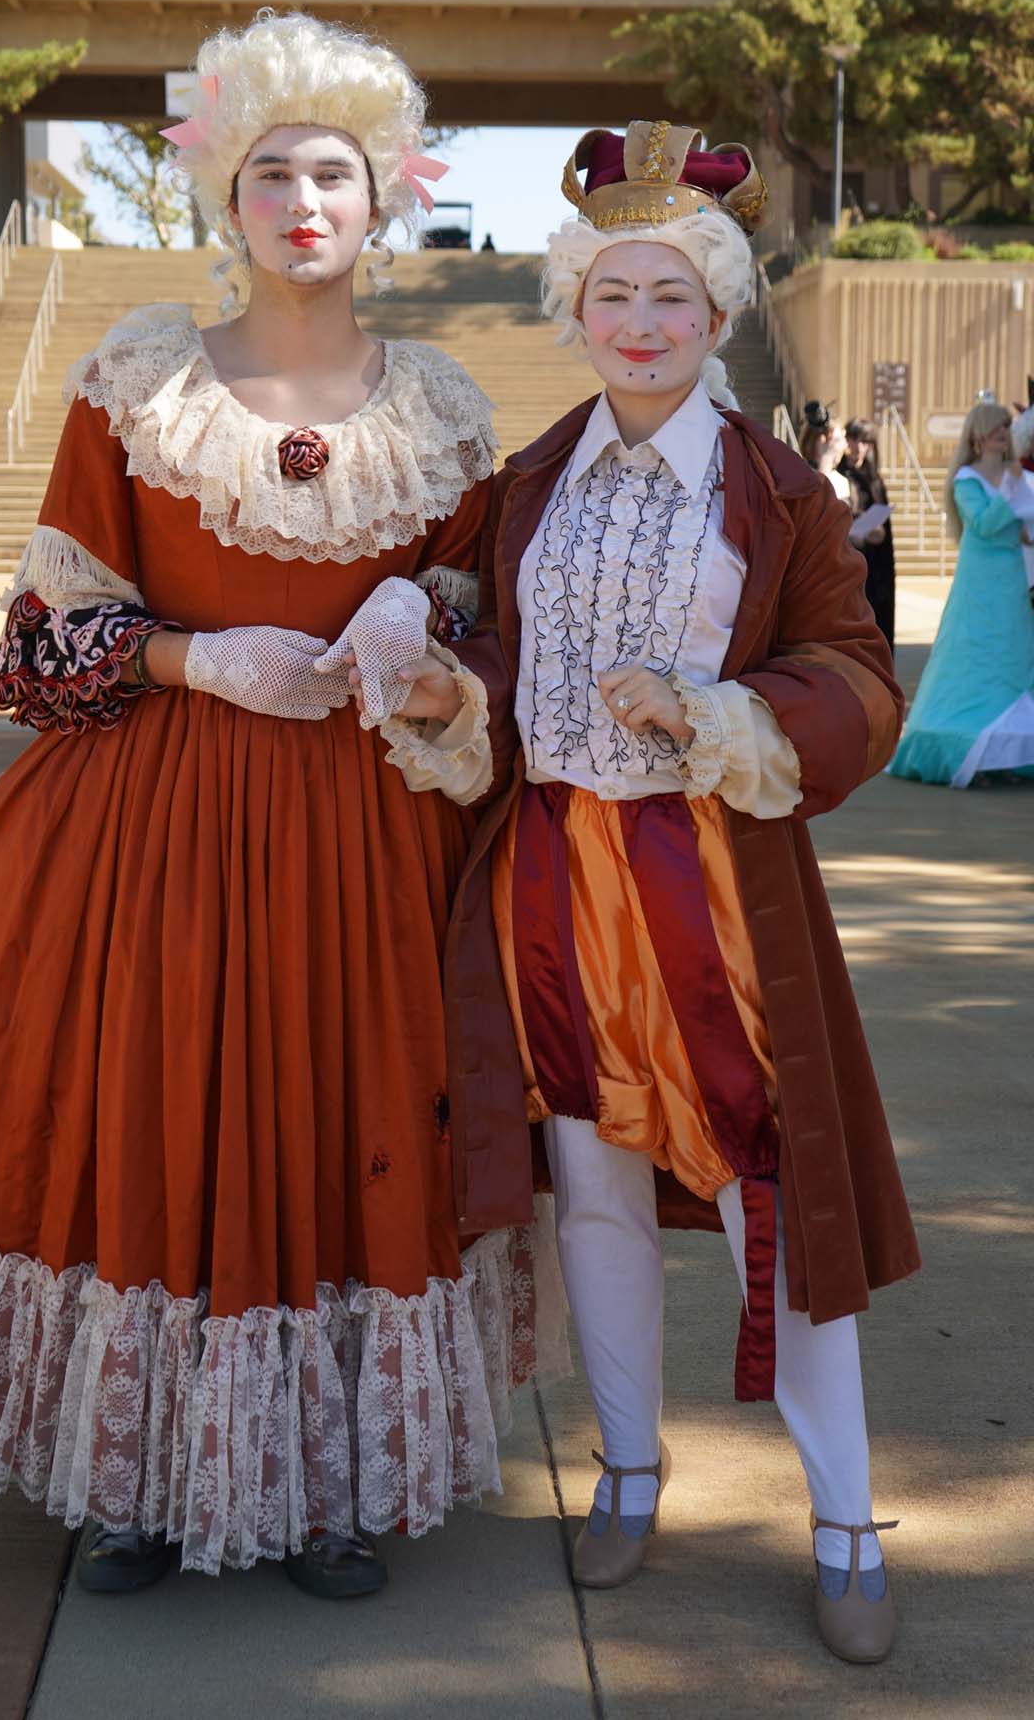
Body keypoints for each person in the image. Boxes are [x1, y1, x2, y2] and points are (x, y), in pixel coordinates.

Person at [0, 11, 562, 1599]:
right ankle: (137, 1476)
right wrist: (186, 654)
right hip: (155, 834)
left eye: (337, 176)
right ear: (225, 202)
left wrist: (424, 637)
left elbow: (480, 617)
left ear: (387, 205)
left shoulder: (444, 410)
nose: (305, 202)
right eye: (272, 173)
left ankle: (327, 1482)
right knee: (157, 1114)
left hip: (364, 840)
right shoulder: (137, 386)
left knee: (346, 1125)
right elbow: (36, 649)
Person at [385, 119, 919, 1663]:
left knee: (780, 1194)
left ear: (719, 312)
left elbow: (859, 680)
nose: (639, 323)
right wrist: (444, 697)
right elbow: (492, 648)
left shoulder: (779, 489)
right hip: (552, 876)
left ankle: (842, 1515)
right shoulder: (528, 479)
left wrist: (728, 713)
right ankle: (628, 1467)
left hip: (716, 887)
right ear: (573, 306)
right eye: (613, 292)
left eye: (671, 296)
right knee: (598, 1188)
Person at [890, 402, 1034, 785]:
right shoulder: (966, 480)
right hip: (979, 586)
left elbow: (1018, 529)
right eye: (996, 427)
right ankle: (967, 752)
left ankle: (1003, 756)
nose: (1004, 433)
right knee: (973, 664)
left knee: (1010, 665)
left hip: (1012, 584)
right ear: (978, 434)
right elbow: (985, 525)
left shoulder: (1012, 476)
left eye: (1006, 426)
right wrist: (1012, 490)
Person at [841, 418, 895, 650]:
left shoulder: (874, 480)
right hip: (849, 564)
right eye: (855, 440)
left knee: (879, 625)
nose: (860, 447)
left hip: (876, 566)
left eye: (866, 442)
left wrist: (878, 532)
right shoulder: (840, 474)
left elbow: (884, 524)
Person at [799, 401, 850, 502]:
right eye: (839, 439)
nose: (845, 445)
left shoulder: (841, 481)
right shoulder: (799, 478)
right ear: (822, 440)